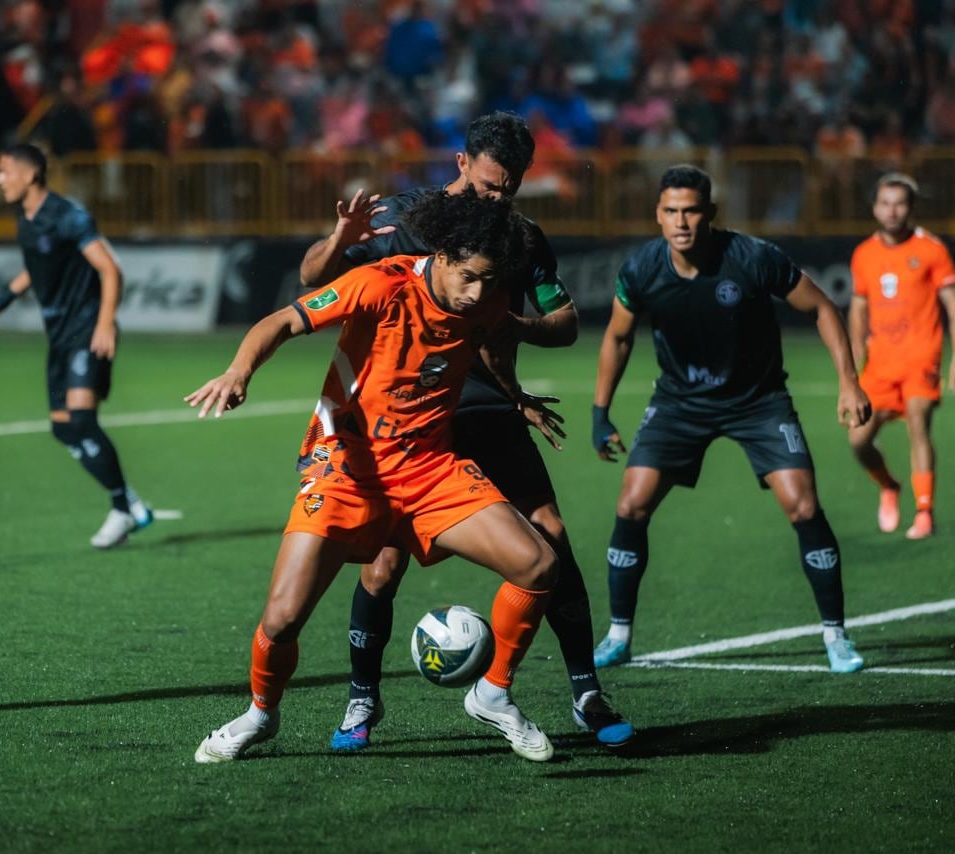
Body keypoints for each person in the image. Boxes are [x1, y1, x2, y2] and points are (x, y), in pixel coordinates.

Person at [189, 190, 561, 764]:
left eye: (489, 280)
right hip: (348, 469)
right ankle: (260, 714)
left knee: (538, 564)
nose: (478, 293)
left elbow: (490, 344)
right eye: (468, 277)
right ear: (440, 255)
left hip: (430, 470)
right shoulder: (380, 285)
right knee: (283, 618)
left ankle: (492, 693)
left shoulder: (488, 301)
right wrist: (239, 371)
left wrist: (518, 397)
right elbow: (284, 320)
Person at [299, 111, 633, 751]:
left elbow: (563, 322)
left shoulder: (523, 237)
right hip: (404, 417)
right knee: (384, 564)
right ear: (461, 163)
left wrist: (518, 329)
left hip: (483, 403)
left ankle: (586, 690)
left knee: (553, 539)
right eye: (486, 185)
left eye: (509, 187)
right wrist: (341, 239)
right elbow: (313, 278)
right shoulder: (404, 218)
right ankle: (362, 700)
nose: (497, 199)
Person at [591, 165, 872, 675]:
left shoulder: (752, 258)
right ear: (658, 215)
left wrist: (849, 381)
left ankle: (836, 636)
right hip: (680, 402)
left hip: (758, 400)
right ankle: (619, 635)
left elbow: (824, 308)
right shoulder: (642, 269)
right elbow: (617, 336)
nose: (681, 222)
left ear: (710, 214)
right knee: (631, 505)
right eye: (671, 211)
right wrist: (600, 413)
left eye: (691, 211)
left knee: (804, 507)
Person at [0, 143, 152, 548]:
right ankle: (130, 503)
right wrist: (3, 299)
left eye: (4, 171)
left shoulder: (68, 216)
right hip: (58, 336)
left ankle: (122, 510)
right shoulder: (26, 217)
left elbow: (110, 269)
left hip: (86, 329)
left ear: (30, 174)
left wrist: (106, 324)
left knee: (81, 421)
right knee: (61, 428)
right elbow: (36, 267)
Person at [847, 174, 955, 539]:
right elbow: (859, 307)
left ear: (911, 208)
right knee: (858, 441)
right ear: (875, 207)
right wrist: (853, 354)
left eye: (900, 203)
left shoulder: (932, 250)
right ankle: (889, 486)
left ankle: (924, 511)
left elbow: (952, 306)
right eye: (885, 203)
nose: (892, 211)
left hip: (921, 356)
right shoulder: (864, 254)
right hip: (880, 363)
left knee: (918, 421)